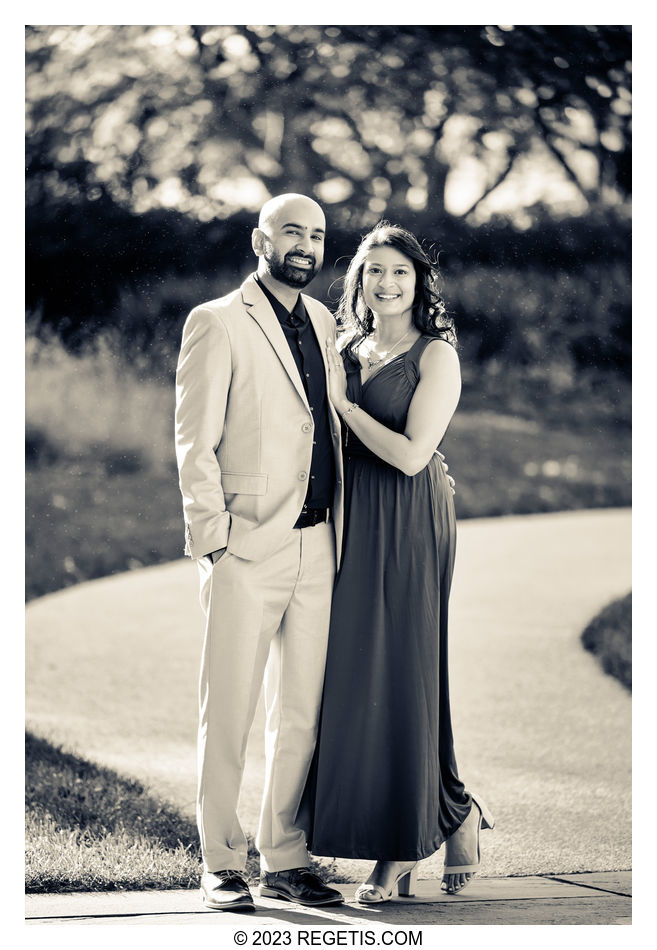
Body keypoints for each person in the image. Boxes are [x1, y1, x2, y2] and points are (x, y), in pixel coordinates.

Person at [299, 222, 494, 903]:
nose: (384, 283)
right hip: (350, 524)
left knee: (404, 670)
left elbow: (413, 455)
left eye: (398, 273)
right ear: (356, 282)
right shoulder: (345, 346)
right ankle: (453, 809)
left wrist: (344, 410)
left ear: (418, 283)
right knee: (357, 679)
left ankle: (399, 849)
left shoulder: (434, 355)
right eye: (372, 271)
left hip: (408, 520)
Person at [174, 193, 346, 912]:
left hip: (318, 544)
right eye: (291, 232)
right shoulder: (216, 321)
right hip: (246, 546)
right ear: (259, 239)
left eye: (316, 234)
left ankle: (285, 856)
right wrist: (214, 540)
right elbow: (193, 441)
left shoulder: (324, 320)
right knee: (232, 710)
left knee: (301, 713)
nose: (305, 245)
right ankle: (219, 861)